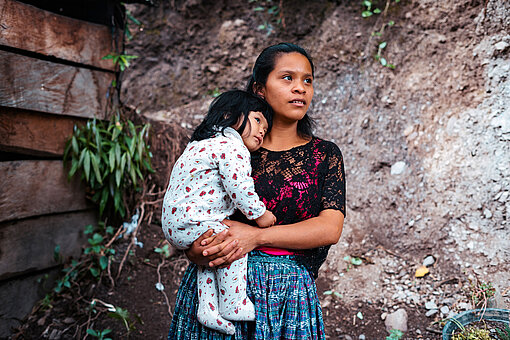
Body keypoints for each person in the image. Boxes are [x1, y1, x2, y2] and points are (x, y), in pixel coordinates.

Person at [168, 42, 346, 339]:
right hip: (218, 287)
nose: (300, 88)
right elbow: (191, 206)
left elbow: (330, 228)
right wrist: (200, 252)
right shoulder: (228, 150)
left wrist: (256, 236)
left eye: (308, 80)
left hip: (290, 296)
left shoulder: (324, 155)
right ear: (259, 90)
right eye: (287, 78)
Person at [162, 90, 277, 335]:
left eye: (265, 129)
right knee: (232, 239)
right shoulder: (231, 146)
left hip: (178, 223)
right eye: (257, 121)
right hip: (193, 219)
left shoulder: (202, 144)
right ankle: (234, 302)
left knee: (212, 256)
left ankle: (208, 308)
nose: (261, 132)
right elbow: (240, 188)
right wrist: (260, 214)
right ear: (229, 116)